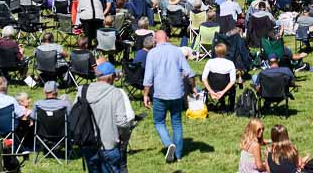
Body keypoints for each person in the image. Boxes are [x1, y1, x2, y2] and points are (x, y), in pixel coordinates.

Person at [142, 31, 193, 164]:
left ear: (155, 40)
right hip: (177, 93)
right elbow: (188, 72)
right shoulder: (177, 51)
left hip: (160, 94)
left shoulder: (152, 53)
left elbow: (148, 78)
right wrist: (193, 88)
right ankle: (179, 154)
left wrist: (146, 94)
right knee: (176, 123)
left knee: (159, 122)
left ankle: (168, 143)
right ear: (168, 38)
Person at [81, 62, 134, 173]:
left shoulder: (82, 91)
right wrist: (124, 138)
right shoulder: (116, 93)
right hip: (109, 145)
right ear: (111, 77)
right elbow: (122, 122)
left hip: (88, 143)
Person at [201, 43, 237, 112]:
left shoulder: (210, 62)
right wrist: (223, 92)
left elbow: (203, 78)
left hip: (212, 87)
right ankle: (231, 108)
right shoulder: (230, 63)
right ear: (225, 52)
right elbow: (232, 81)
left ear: (215, 52)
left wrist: (210, 91)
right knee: (233, 89)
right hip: (225, 89)